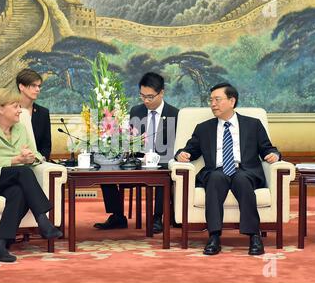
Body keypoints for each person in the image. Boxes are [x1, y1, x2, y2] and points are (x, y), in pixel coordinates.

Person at [175, 83, 280, 256]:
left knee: (242, 179)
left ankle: (254, 236)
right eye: (211, 100)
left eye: (217, 99)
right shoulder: (204, 128)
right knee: (216, 178)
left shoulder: (253, 124)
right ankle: (214, 236)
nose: (213, 104)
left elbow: (267, 148)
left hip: (245, 170)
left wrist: (274, 155)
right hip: (217, 170)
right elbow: (190, 150)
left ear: (232, 101)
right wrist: (182, 154)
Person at [0, 88, 62, 262]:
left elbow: (37, 154)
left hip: (10, 178)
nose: (20, 110)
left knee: (18, 192)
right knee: (22, 172)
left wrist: (31, 157)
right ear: (1, 109)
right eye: (15, 106)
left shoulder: (20, 129)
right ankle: (43, 220)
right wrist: (16, 159)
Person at [94, 72, 179, 234]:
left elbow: (177, 144)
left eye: (150, 97)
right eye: (142, 96)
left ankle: (157, 217)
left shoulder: (175, 113)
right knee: (107, 169)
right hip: (138, 160)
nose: (146, 101)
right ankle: (118, 215)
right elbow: (131, 138)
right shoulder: (136, 111)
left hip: (162, 160)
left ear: (161, 93)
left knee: (164, 171)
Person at [16, 68, 51, 161]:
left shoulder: (43, 113)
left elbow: (46, 146)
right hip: (15, 161)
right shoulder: (10, 110)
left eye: (39, 86)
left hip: (37, 162)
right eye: (33, 86)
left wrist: (39, 160)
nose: (38, 89)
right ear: (21, 87)